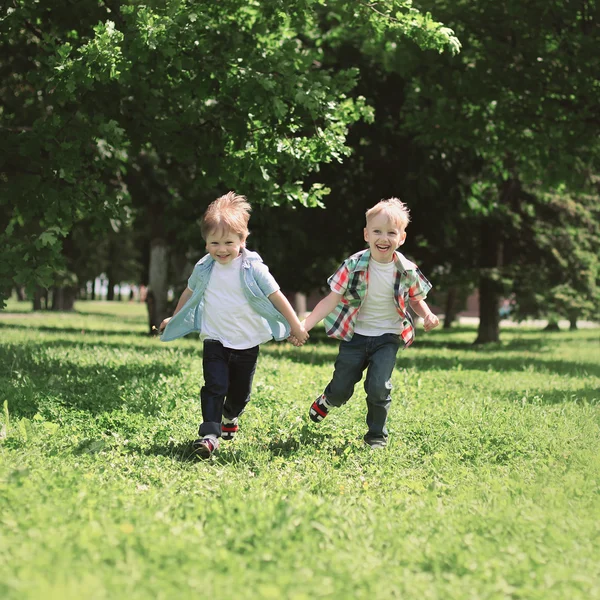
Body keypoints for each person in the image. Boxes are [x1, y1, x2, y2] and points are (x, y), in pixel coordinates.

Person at [159, 192, 309, 458]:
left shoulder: (253, 268)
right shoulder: (204, 267)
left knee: (239, 395)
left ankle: (231, 416)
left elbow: (277, 296)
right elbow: (189, 292)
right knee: (214, 385)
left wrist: (295, 325)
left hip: (246, 342)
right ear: (205, 242)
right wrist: (175, 316)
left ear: (243, 239)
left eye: (229, 242)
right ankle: (209, 435)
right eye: (214, 242)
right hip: (214, 338)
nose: (222, 249)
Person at [298, 197, 439, 448]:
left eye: (390, 233)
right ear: (366, 234)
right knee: (342, 386)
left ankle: (376, 435)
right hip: (356, 336)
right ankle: (329, 399)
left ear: (401, 238)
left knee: (378, 387)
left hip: (388, 337)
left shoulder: (407, 270)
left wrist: (427, 314)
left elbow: (416, 299)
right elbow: (331, 300)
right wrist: (305, 324)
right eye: (377, 231)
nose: (383, 238)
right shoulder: (353, 265)